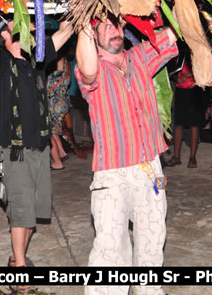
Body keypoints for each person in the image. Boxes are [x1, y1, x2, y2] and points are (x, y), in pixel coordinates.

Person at [76, 15, 177, 295]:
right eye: (105, 27)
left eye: (117, 24)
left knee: (152, 241)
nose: (114, 31)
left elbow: (175, 32)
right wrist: (85, 18)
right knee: (110, 250)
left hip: (151, 168)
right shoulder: (92, 68)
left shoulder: (140, 56)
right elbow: (86, 69)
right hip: (113, 173)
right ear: (93, 35)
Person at [0, 10, 73, 272]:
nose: (27, 28)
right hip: (16, 151)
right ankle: (20, 268)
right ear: (5, 35)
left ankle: (15, 258)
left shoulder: (38, 61)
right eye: (17, 25)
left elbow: (66, 31)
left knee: (31, 215)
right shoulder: (3, 62)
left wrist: (80, 3)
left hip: (41, 149)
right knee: (20, 213)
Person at [165, 44, 206, 169]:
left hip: (195, 88)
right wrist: (176, 77)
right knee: (178, 123)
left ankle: (192, 157)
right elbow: (171, 66)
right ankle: (176, 157)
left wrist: (193, 76)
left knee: (194, 124)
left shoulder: (198, 45)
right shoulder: (179, 46)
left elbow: (205, 67)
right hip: (181, 88)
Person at [48, 52, 71, 170]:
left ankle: (57, 162)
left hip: (54, 105)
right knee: (54, 130)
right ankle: (62, 152)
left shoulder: (54, 76)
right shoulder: (66, 71)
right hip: (63, 103)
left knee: (49, 132)